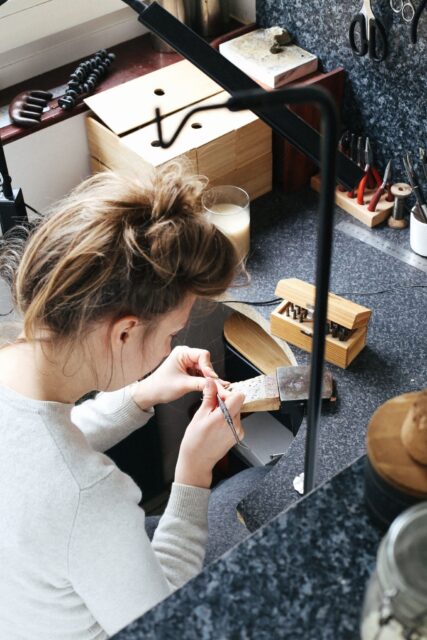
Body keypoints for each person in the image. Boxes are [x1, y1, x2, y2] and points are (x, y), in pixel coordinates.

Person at [0, 162, 261, 639]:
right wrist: (194, 473)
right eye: (170, 335)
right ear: (123, 331)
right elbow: (163, 625)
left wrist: (138, 396)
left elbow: (38, 446)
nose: (168, 349)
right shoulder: (88, 497)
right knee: (251, 500)